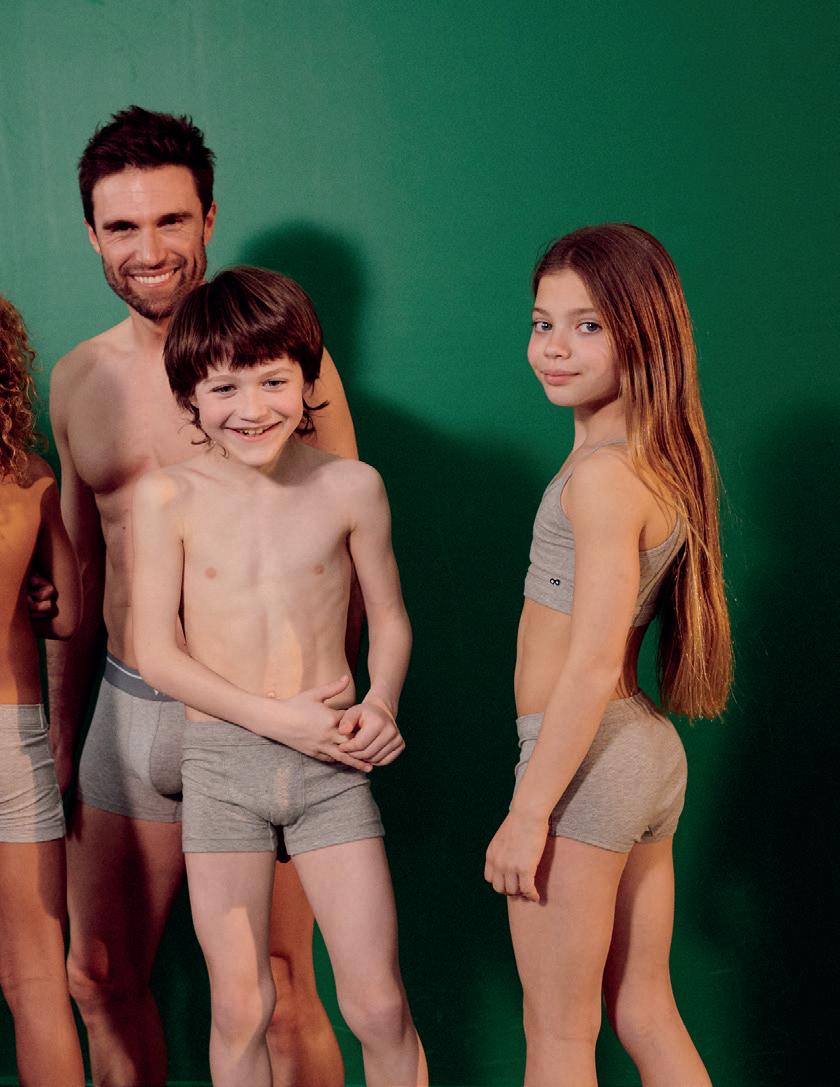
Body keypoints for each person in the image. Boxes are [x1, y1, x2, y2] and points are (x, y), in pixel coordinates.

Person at [46, 106, 354, 1087]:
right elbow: (79, 578)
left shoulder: (285, 370)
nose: (149, 250)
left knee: (279, 984)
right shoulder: (77, 379)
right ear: (91, 233)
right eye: (123, 226)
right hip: (127, 709)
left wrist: (322, 716)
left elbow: (343, 549)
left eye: (171, 220)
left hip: (262, 710)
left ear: (211, 217)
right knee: (97, 974)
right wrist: (60, 735)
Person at [130, 264, 426, 1087]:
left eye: (272, 380)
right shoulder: (167, 498)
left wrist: (382, 700)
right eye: (224, 387)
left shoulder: (352, 486)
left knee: (378, 1004)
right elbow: (157, 651)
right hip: (222, 767)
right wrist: (276, 717)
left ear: (307, 381)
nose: (252, 407)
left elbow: (390, 618)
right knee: (241, 1004)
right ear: (190, 397)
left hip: (332, 764)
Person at [484, 224, 732, 1086]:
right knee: (644, 1007)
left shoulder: (602, 479)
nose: (554, 347)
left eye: (587, 326)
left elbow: (590, 662)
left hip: (582, 756)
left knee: (557, 1032)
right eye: (542, 323)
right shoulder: (643, 459)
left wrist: (529, 811)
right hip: (641, 752)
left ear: (644, 333)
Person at [0, 295, 84, 1086]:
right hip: (13, 739)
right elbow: (70, 615)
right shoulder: (30, 478)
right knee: (36, 980)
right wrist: (37, 595)